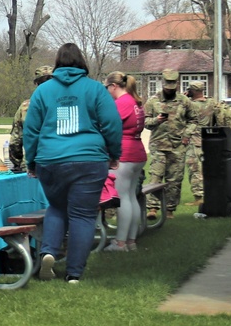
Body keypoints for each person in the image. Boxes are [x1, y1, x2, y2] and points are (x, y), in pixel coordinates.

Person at [23, 43, 121, 284]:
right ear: (82, 62)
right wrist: (114, 153)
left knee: (56, 207)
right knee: (83, 215)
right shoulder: (95, 89)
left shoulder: (43, 91)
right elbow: (111, 123)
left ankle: (48, 252)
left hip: (51, 159)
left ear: (57, 62)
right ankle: (74, 273)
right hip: (89, 159)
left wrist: (31, 161)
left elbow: (31, 130)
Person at [103, 71, 146, 252]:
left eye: (107, 88)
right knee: (130, 197)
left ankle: (120, 243)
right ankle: (130, 241)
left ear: (114, 86)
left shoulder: (122, 103)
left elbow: (108, 126)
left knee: (122, 198)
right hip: (137, 151)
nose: (107, 92)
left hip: (124, 154)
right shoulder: (135, 102)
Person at [143, 69, 193, 220]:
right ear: (163, 84)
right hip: (158, 146)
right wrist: (156, 121)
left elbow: (193, 120)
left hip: (177, 146)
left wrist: (187, 135)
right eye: (167, 87)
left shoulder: (184, 101)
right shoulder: (153, 101)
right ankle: (152, 208)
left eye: (172, 87)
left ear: (177, 85)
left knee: (175, 180)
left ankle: (170, 209)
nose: (169, 90)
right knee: (155, 176)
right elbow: (145, 122)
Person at [8, 65, 53, 171]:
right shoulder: (64, 103)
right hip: (60, 162)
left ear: (37, 83)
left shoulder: (26, 107)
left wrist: (18, 163)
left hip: (32, 164)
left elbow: (15, 140)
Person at [184, 81, 219, 207]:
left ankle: (199, 197)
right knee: (205, 169)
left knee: (194, 169)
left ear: (192, 91)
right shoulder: (211, 103)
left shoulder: (191, 105)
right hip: (208, 139)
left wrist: (185, 98)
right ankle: (211, 194)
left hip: (194, 139)